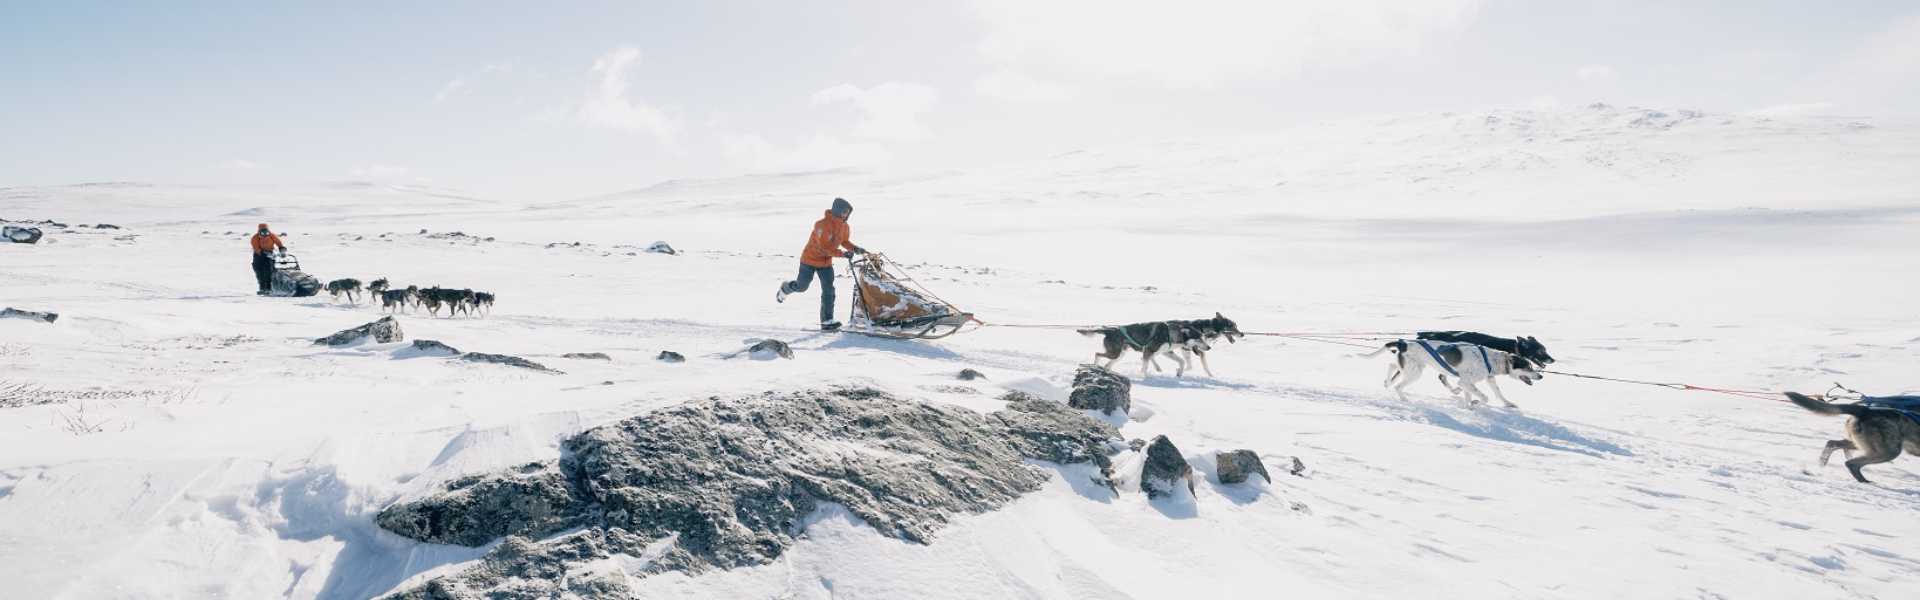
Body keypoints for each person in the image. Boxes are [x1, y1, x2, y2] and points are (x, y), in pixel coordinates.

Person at [777, 197, 864, 330]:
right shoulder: (821, 225)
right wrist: (842, 254)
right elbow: (824, 248)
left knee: (829, 290)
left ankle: (827, 321)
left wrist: (855, 249)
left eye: (848, 212)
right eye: (844, 211)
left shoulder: (844, 226)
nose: (846, 215)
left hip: (825, 263)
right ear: (837, 210)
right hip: (809, 260)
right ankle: (786, 288)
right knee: (802, 287)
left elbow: (844, 241)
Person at [250, 223, 286, 295]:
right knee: (259, 271)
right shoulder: (255, 237)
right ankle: (263, 288)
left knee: (269, 271)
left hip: (270, 254)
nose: (264, 233)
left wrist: (281, 248)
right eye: (262, 232)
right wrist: (262, 252)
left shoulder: (272, 235)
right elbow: (256, 247)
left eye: (266, 231)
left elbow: (278, 242)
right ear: (259, 231)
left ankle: (270, 287)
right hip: (259, 255)